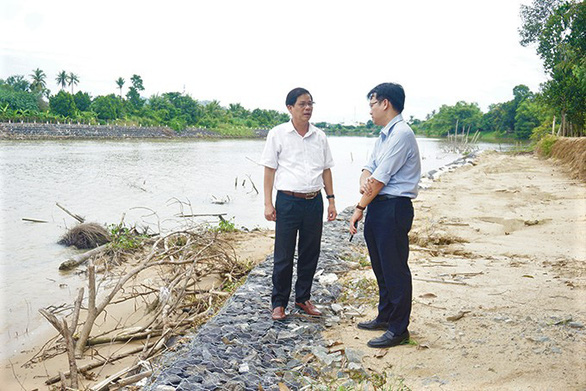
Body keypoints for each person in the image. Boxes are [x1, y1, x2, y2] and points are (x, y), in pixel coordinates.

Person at [349, 82, 421, 348]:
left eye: (372, 104)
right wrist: (366, 181)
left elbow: (379, 179)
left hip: (394, 207)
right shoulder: (384, 136)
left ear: (385, 104)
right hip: (379, 206)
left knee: (395, 269)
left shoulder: (401, 134)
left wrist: (359, 207)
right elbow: (368, 169)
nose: (370, 110)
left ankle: (399, 329)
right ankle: (386, 315)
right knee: (380, 266)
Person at [261, 87, 337, 321]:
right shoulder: (278, 134)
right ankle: (279, 303)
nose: (308, 108)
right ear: (290, 108)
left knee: (310, 252)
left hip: (313, 202)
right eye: (303, 104)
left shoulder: (320, 136)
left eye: (310, 104)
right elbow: (269, 169)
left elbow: (326, 170)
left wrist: (331, 200)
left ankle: (303, 298)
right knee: (283, 254)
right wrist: (268, 203)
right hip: (288, 201)